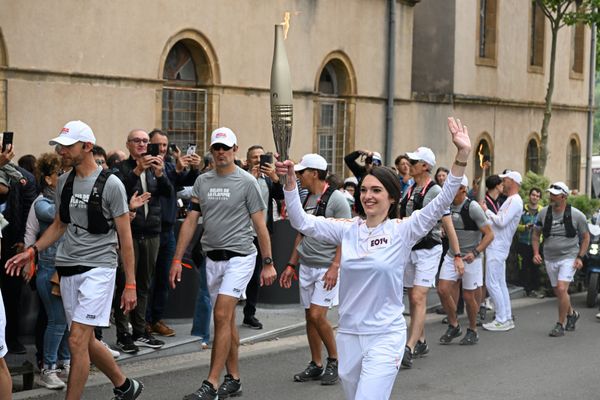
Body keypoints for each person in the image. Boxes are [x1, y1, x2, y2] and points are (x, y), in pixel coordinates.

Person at [276, 117, 471, 400]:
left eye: (376, 190)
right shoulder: (347, 230)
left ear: (392, 198)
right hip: (349, 336)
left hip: (385, 336)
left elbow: (441, 202)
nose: (368, 196)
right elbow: (301, 221)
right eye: (365, 190)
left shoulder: (403, 231)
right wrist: (290, 182)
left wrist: (462, 156)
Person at [5, 120, 143, 399]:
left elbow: (125, 238)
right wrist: (32, 251)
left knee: (77, 340)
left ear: (87, 146)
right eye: (59, 145)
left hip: (100, 269)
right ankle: (125, 386)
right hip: (67, 268)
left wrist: (130, 284)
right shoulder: (65, 180)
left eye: (67, 146)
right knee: (87, 342)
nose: (61, 151)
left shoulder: (111, 184)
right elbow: (59, 224)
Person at [169, 127, 277, 400]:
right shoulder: (203, 182)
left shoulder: (247, 182)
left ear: (234, 150)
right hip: (213, 259)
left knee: (220, 315)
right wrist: (177, 259)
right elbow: (192, 221)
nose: (220, 152)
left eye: (225, 148)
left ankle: (212, 384)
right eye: (216, 148)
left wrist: (268, 262)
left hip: (241, 257)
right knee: (226, 321)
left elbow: (260, 225)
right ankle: (234, 378)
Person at [279, 153, 351, 386]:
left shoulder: (337, 199)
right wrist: (291, 264)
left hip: (326, 267)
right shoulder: (307, 197)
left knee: (318, 315)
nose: (299, 176)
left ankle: (335, 360)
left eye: (302, 172)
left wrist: (335, 266)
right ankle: (316, 363)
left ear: (315, 173)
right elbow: (301, 233)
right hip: (307, 265)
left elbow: (346, 235)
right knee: (309, 317)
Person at [113, 129, 173, 353]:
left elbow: (168, 193)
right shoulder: (121, 168)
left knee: (145, 284)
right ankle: (123, 334)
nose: (141, 144)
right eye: (136, 141)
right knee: (125, 284)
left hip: (152, 232)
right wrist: (137, 170)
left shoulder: (156, 166)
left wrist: (159, 174)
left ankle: (140, 331)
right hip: (130, 233)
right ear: (128, 144)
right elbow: (119, 193)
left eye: (145, 141)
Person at [399, 146, 460, 368]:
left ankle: (410, 346)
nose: (409, 164)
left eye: (414, 162)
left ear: (425, 166)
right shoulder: (409, 188)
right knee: (413, 297)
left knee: (417, 297)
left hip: (429, 249)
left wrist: (457, 254)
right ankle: (421, 340)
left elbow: (448, 224)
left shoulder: (434, 191)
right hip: (410, 250)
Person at [26, 153, 70, 389]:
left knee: (64, 322)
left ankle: (63, 363)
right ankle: (48, 368)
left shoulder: (57, 200)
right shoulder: (42, 204)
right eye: (59, 174)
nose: (64, 177)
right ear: (49, 179)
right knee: (56, 321)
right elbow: (64, 215)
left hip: (66, 267)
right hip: (49, 269)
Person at [437, 176, 494, 345]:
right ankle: (454, 324)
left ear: (463, 189)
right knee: (442, 289)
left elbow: (490, 234)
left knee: (469, 297)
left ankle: (472, 329)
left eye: (453, 187)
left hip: (471, 258)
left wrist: (475, 252)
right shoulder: (446, 205)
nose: (448, 190)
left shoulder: (473, 207)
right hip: (452, 255)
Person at [532, 182, 589, 337]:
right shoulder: (543, 213)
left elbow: (585, 237)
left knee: (562, 288)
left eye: (554, 194)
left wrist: (580, 257)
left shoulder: (577, 215)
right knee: (559, 291)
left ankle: (560, 324)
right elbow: (536, 234)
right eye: (550, 194)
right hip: (550, 257)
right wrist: (536, 252)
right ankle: (572, 314)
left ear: (564, 196)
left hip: (569, 256)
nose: (551, 197)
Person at [242, 145, 284, 330]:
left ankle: (249, 314)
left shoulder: (268, 181)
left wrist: (276, 179)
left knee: (255, 276)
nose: (258, 161)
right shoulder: (242, 178)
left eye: (261, 157)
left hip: (261, 235)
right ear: (248, 160)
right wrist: (251, 177)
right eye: (254, 157)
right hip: (242, 234)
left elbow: (282, 196)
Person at [481, 170, 523, 332]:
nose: (503, 183)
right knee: (499, 283)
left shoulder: (514, 200)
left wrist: (486, 210)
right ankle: (506, 317)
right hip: (499, 245)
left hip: (497, 246)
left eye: (505, 180)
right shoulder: (513, 200)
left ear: (512, 181)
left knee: (492, 283)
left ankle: (501, 319)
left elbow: (501, 221)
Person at [516, 188, 542, 297]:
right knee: (524, 266)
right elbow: (515, 226)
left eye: (537, 196)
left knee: (535, 267)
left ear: (539, 198)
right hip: (523, 242)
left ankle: (535, 289)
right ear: (529, 195)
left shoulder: (542, 211)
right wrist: (525, 227)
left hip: (537, 244)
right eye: (533, 195)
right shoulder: (522, 209)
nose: (535, 197)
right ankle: (525, 289)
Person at [344, 149, 382, 217]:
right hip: (360, 210)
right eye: (366, 161)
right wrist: (360, 152)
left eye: (370, 162)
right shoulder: (361, 172)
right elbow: (348, 159)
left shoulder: (383, 176)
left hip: (375, 210)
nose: (368, 164)